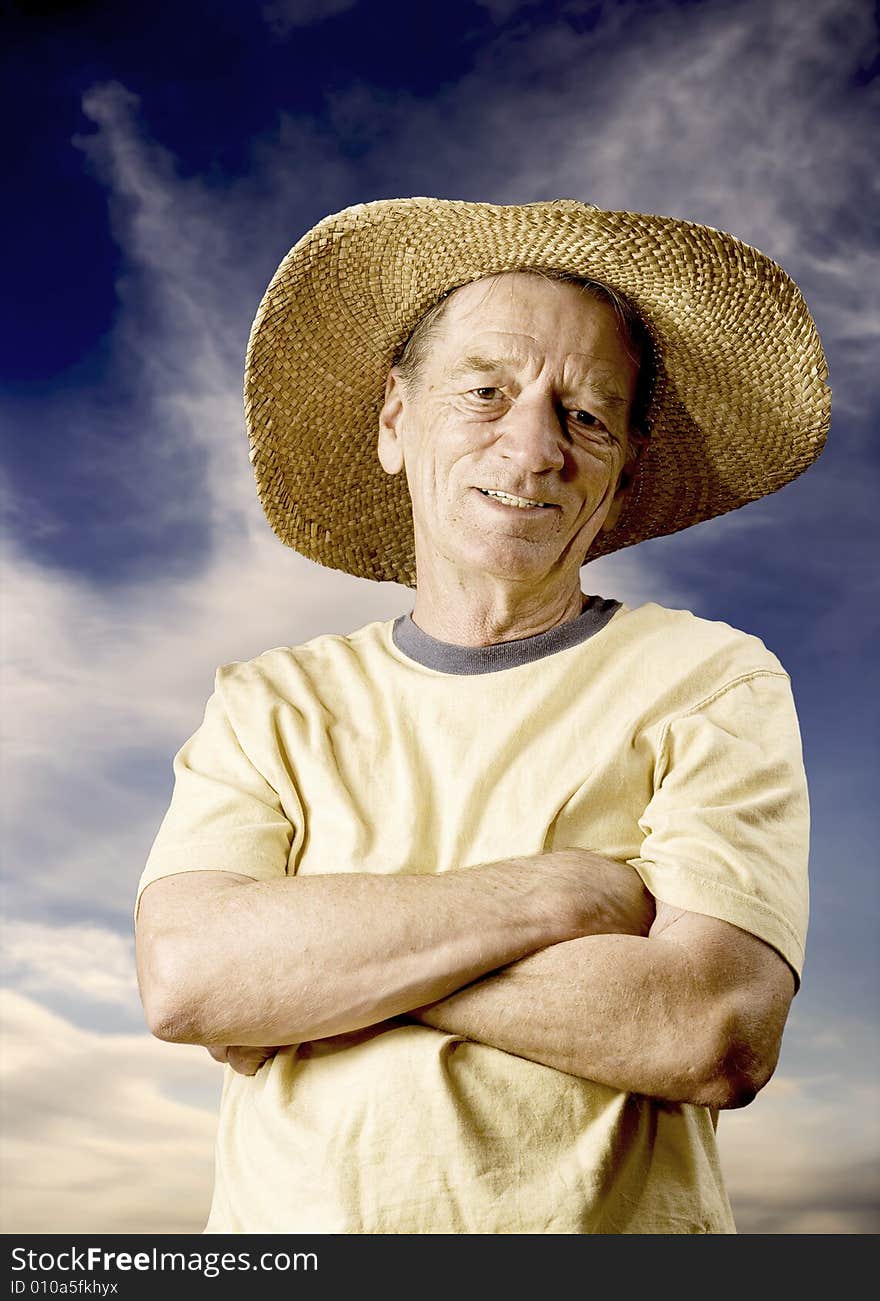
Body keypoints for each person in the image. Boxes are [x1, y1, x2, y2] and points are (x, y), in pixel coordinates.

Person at [134, 197, 831, 1234]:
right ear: (393, 421)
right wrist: (558, 894)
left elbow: (711, 1029)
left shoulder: (709, 678)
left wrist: (311, 974)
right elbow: (190, 976)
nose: (535, 445)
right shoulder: (269, 700)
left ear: (623, 471)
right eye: (486, 392)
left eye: (586, 414)